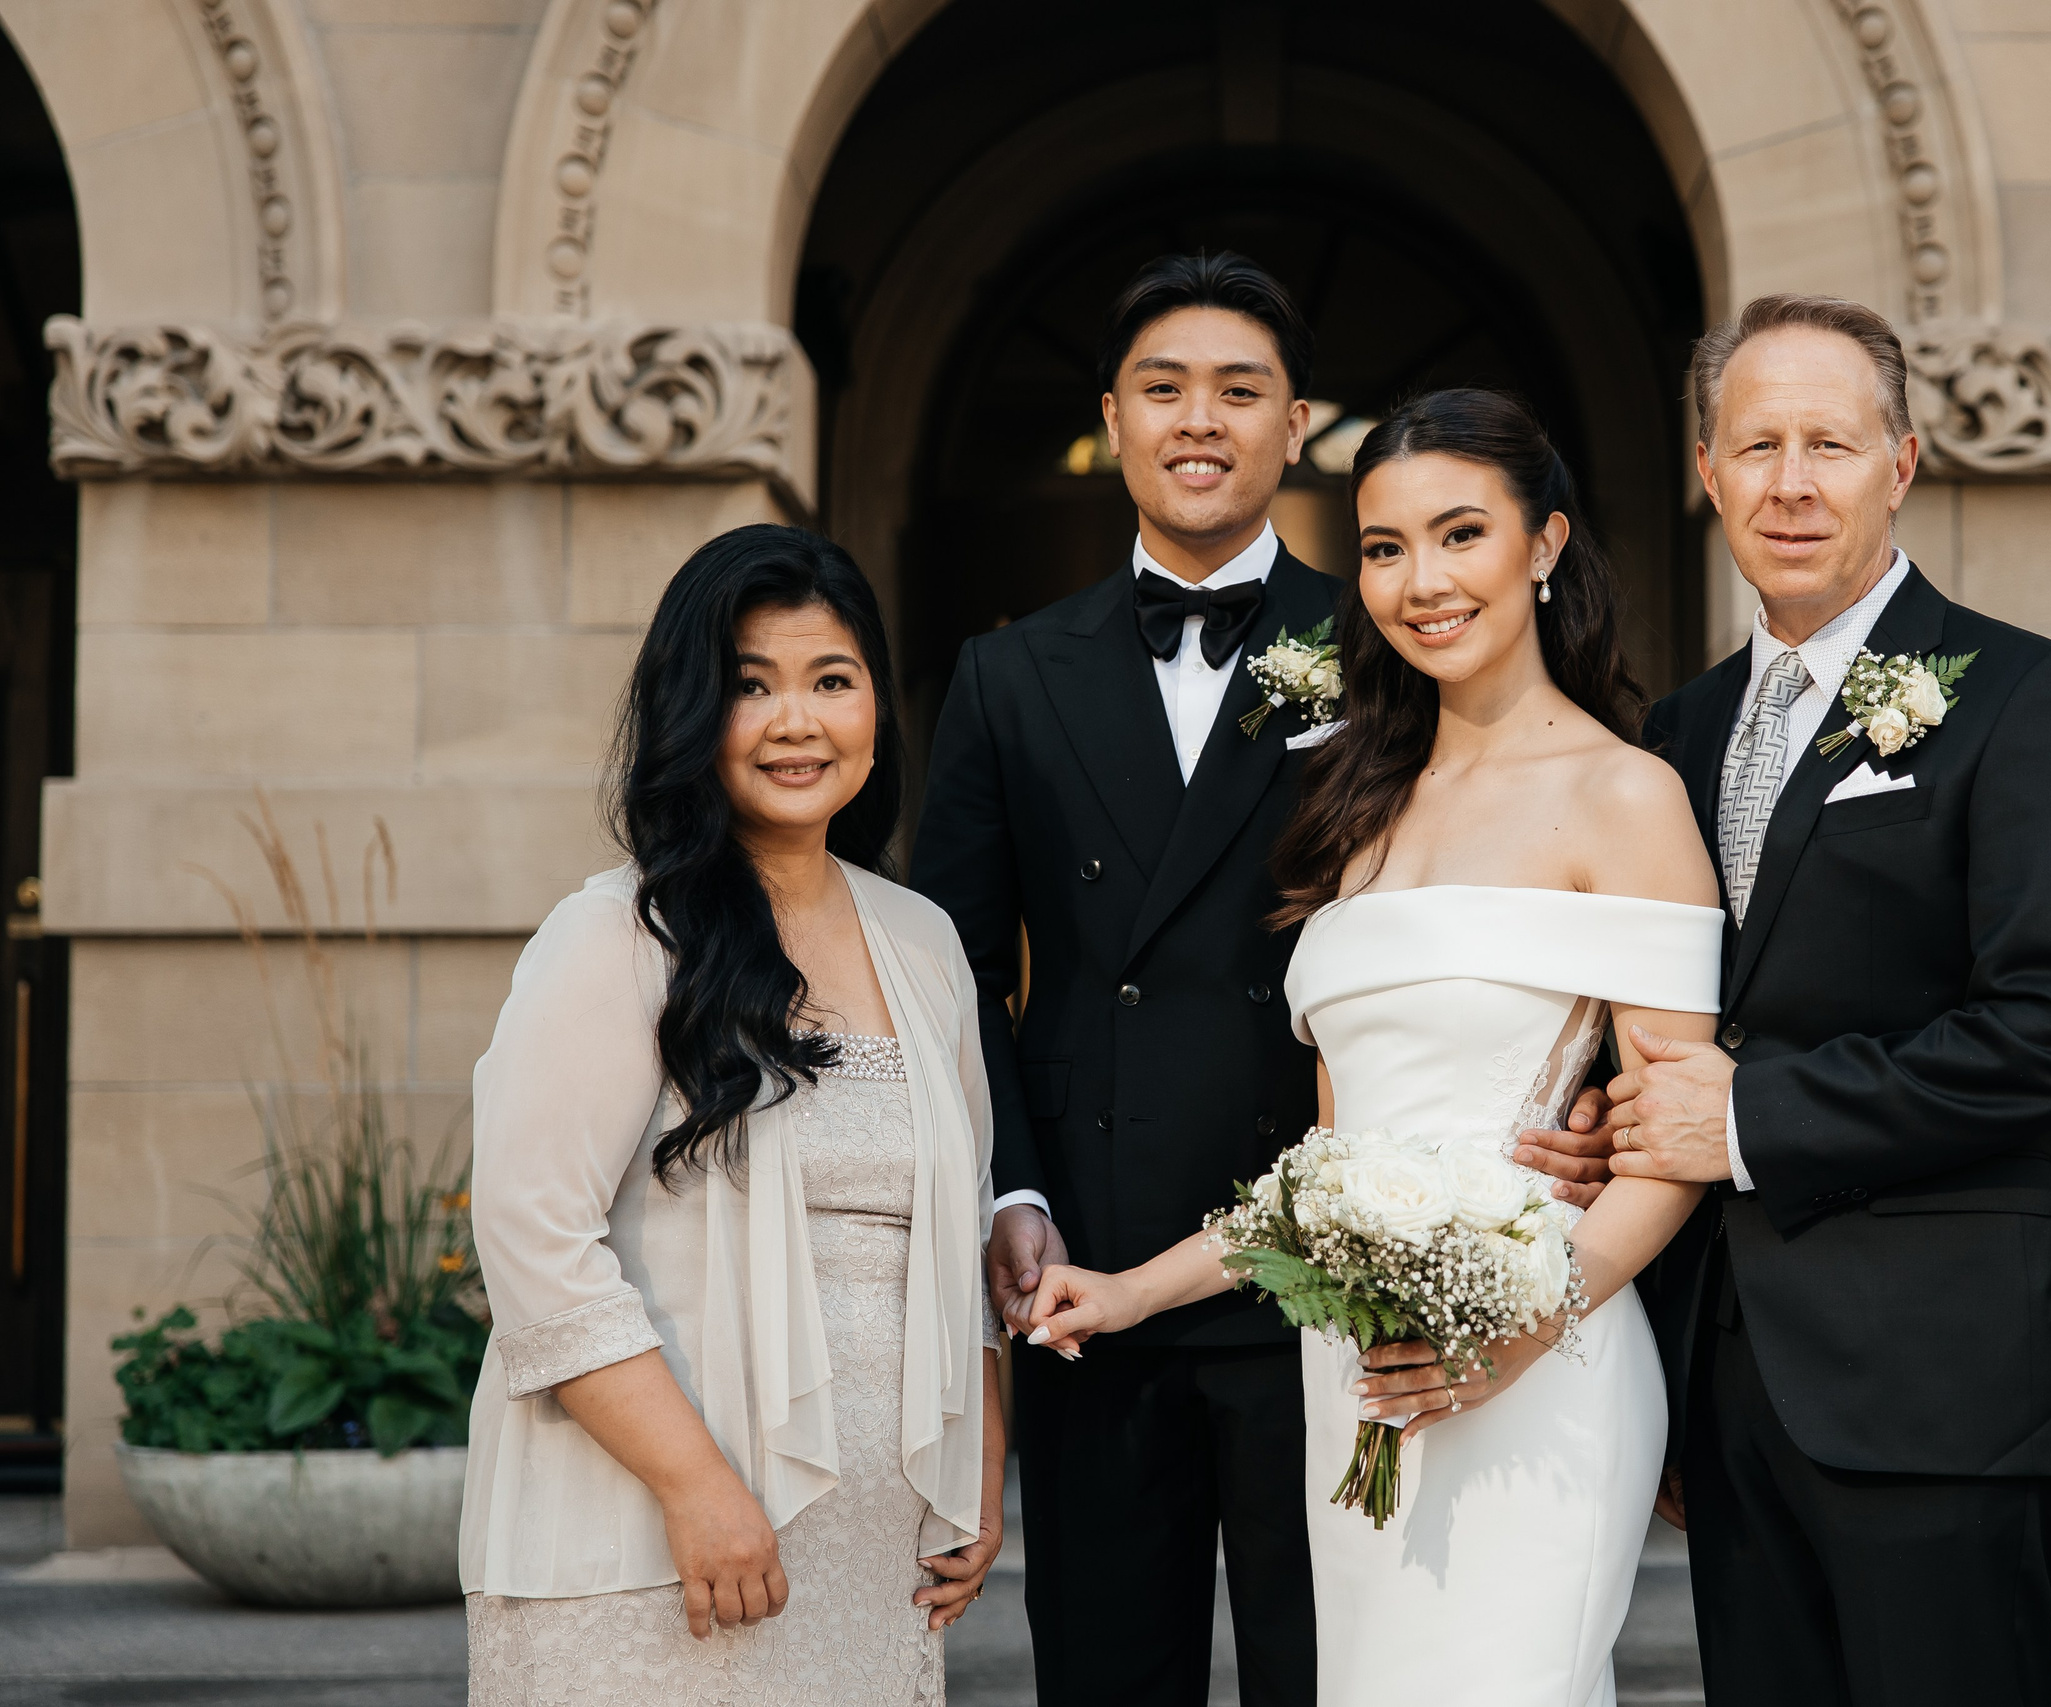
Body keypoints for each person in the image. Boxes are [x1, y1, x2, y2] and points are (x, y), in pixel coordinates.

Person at [1019, 388, 1725, 1707]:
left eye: (1461, 534)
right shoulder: (1357, 804)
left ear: (1546, 543)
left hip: (1543, 1359)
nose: (1421, 580)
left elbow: (1674, 1139)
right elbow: (1330, 1164)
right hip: (1353, 1367)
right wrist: (1126, 1289)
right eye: (1387, 546)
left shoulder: (1624, 792)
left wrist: (1522, 1325)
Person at [1519, 294, 2051, 1705]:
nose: (1791, 482)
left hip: (1943, 1384)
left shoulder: (2025, 698)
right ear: (1707, 474)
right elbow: (1668, 1029)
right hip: (1732, 1384)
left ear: (1902, 463)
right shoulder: (1670, 736)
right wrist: (1611, 1131)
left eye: (1830, 444)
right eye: (1757, 446)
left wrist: (1753, 1113)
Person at [458, 524, 1004, 1705]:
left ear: (876, 708)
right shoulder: (614, 936)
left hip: (868, 1562)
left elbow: (957, 1236)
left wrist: (982, 1457)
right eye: (750, 686)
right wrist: (696, 1487)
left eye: (831, 681)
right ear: (692, 712)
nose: (795, 721)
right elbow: (533, 1242)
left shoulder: (924, 941)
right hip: (656, 1542)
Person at [907, 251, 1330, 1707]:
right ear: (1113, 417)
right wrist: (1009, 1192)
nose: (1198, 419)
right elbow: (951, 967)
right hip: (1086, 1265)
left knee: (1327, 1668)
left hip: (1325, 1260)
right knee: (1105, 1672)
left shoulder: (1389, 645)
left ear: (1296, 429)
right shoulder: (1008, 674)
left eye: (1239, 389)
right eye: (1163, 388)